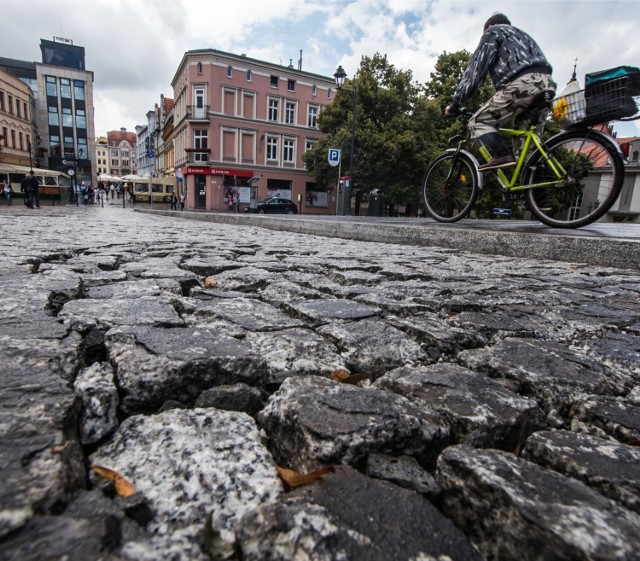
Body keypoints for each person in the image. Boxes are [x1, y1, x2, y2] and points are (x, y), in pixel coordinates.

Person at [445, 13, 556, 171]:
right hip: (547, 85)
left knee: (477, 122)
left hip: (524, 84)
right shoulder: (523, 35)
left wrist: (456, 103)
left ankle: (502, 155)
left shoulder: (493, 32)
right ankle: (536, 195)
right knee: (528, 156)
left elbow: (475, 71)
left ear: (487, 27)